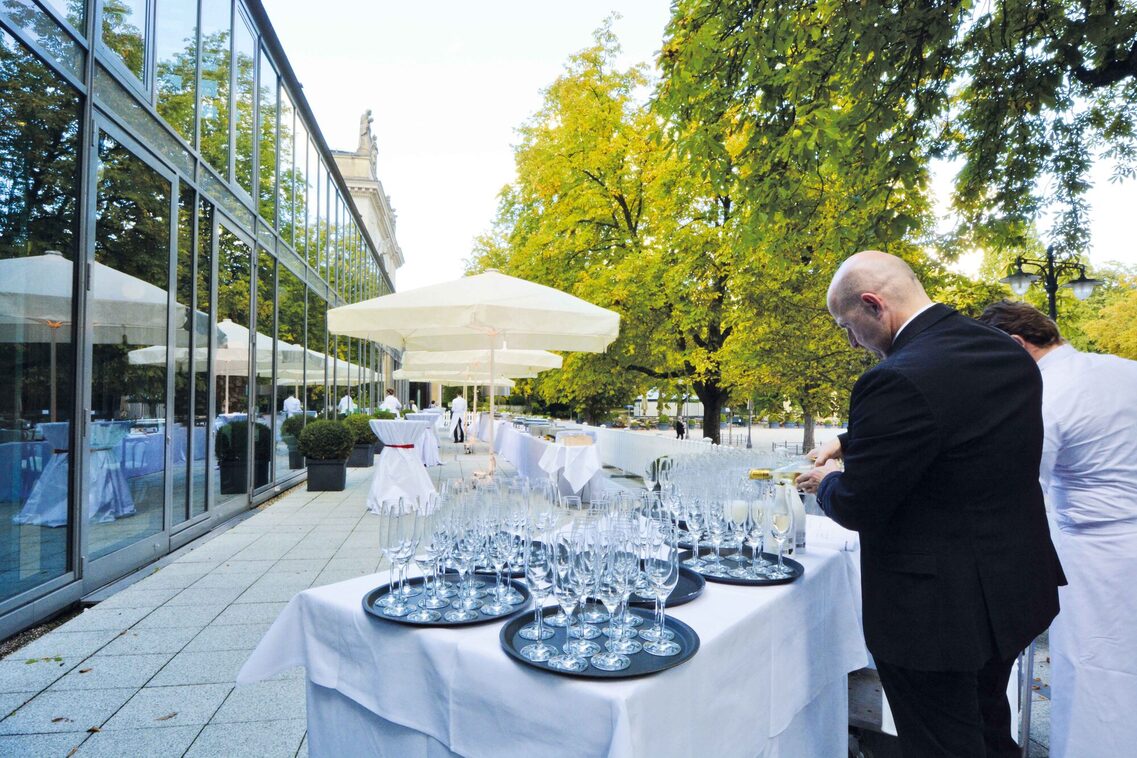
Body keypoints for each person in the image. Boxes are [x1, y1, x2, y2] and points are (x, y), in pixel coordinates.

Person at [795, 251, 1064, 758]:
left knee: (940, 743)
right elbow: (959, 416)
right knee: (989, 727)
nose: (851, 342)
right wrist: (849, 441)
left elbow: (858, 505)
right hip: (1010, 588)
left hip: (934, 614)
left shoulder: (892, 378)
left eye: (847, 327)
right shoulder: (1002, 348)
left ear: (874, 305)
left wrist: (829, 479)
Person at [977, 300, 1137, 757]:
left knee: (1094, 676)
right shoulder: (1123, 368)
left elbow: (1019, 488)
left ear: (1015, 345)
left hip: (1097, 557)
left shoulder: (1044, 393)